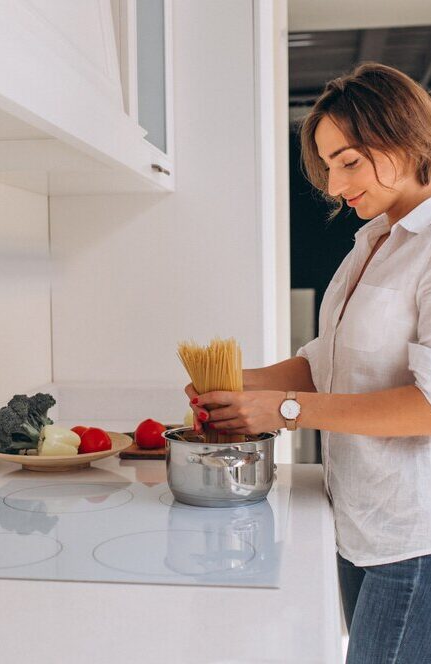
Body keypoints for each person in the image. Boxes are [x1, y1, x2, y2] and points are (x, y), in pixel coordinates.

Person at [186, 63, 431, 663]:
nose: (332, 184)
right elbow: (331, 360)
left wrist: (285, 411)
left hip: (418, 536)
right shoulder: (371, 241)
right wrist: (240, 387)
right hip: (362, 523)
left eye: (348, 161)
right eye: (326, 166)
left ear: (406, 137)